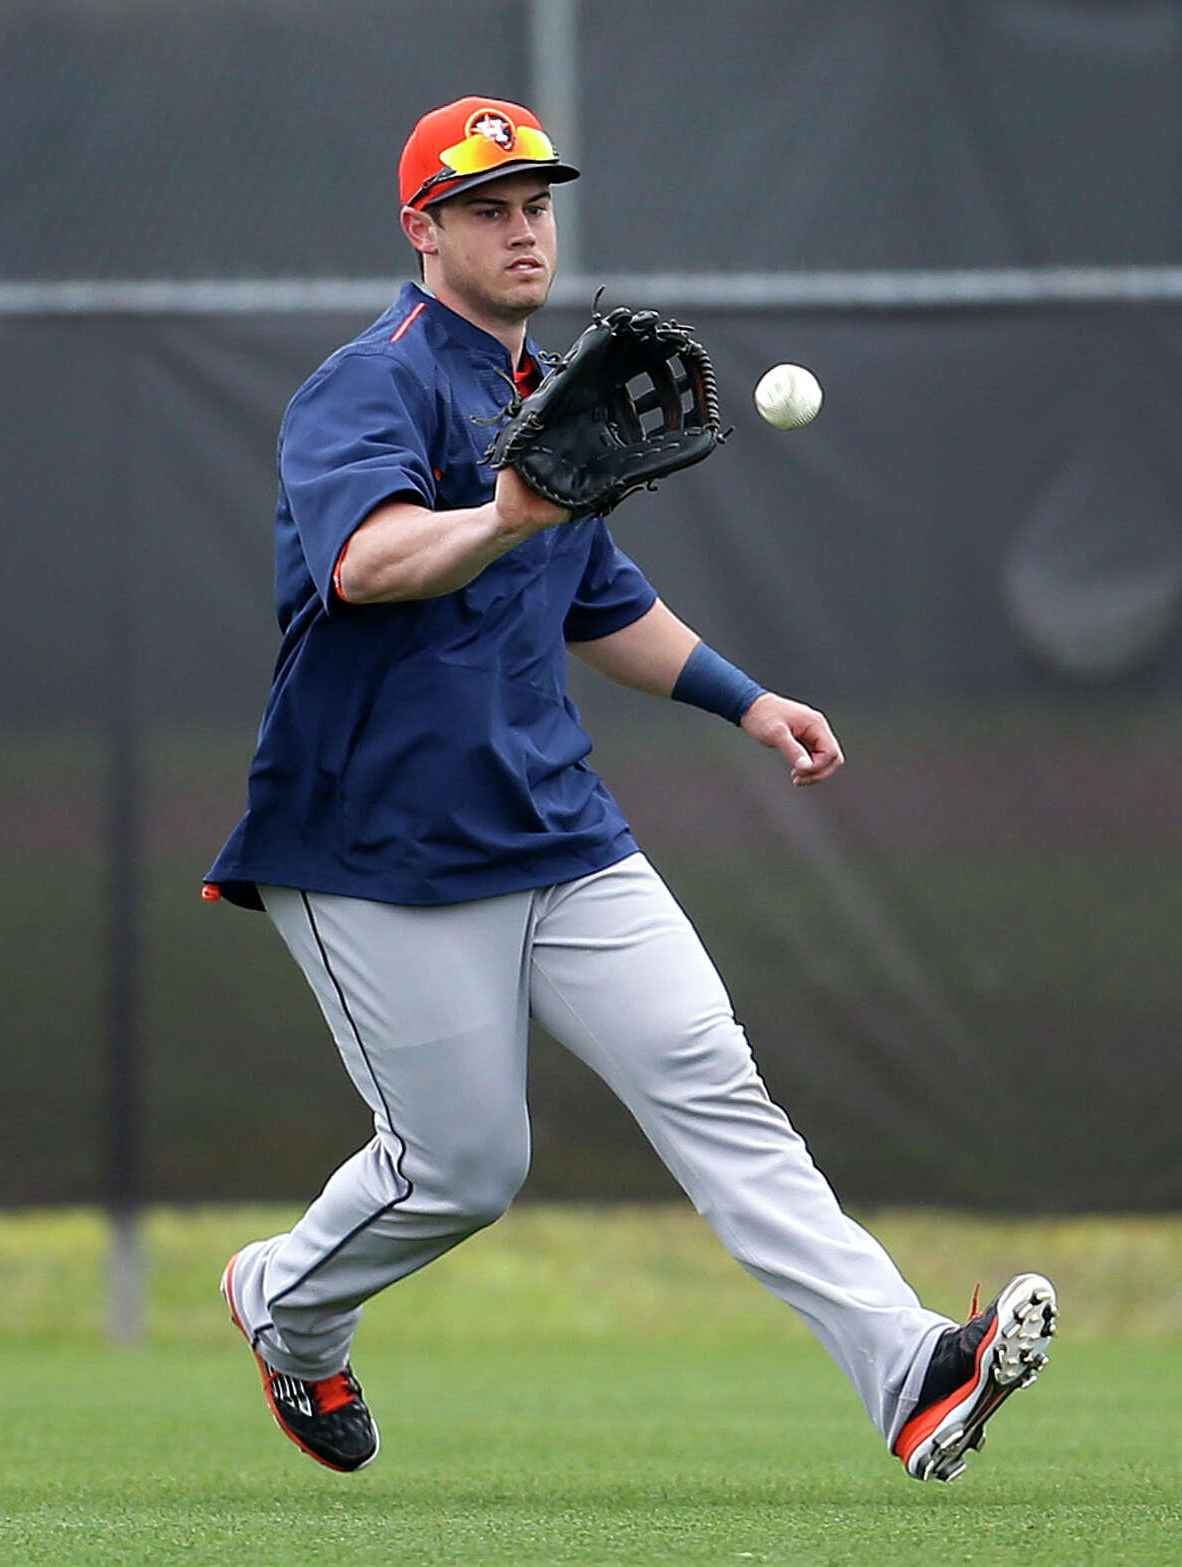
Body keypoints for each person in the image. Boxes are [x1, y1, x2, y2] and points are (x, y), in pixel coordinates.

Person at [206, 95, 1055, 1483]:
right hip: (377, 844)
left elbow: (597, 598)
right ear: (423, 232)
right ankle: (287, 1312)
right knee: (465, 1171)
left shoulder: (545, 399)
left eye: (536, 201)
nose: (523, 225)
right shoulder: (371, 383)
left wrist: (751, 699)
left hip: (557, 831)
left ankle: (911, 1369)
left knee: (716, 1087)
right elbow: (366, 563)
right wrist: (502, 513)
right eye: (487, 207)